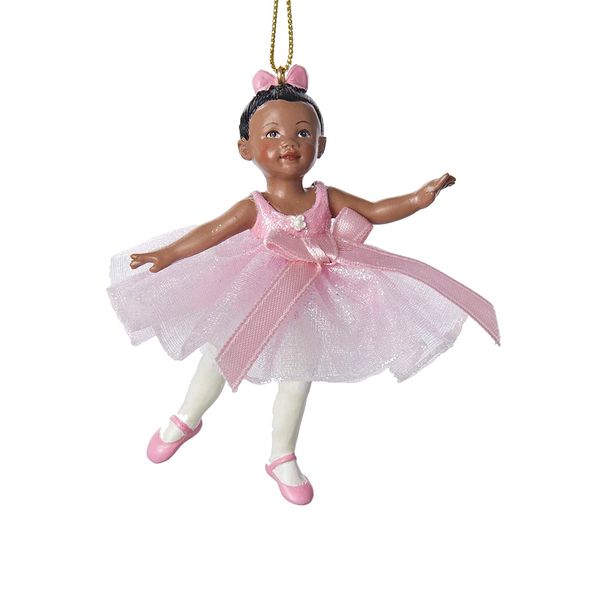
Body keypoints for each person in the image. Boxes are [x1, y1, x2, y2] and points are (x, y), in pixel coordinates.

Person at [107, 65, 499, 505]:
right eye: (272, 134)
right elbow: (211, 232)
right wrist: (169, 253)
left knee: (298, 375)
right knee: (220, 352)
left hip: (310, 296)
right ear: (245, 148)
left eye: (303, 133)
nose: (288, 143)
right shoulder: (255, 206)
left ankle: (282, 455)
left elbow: (374, 210)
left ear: (321, 145)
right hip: (254, 289)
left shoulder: (325, 197)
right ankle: (186, 417)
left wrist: (417, 199)